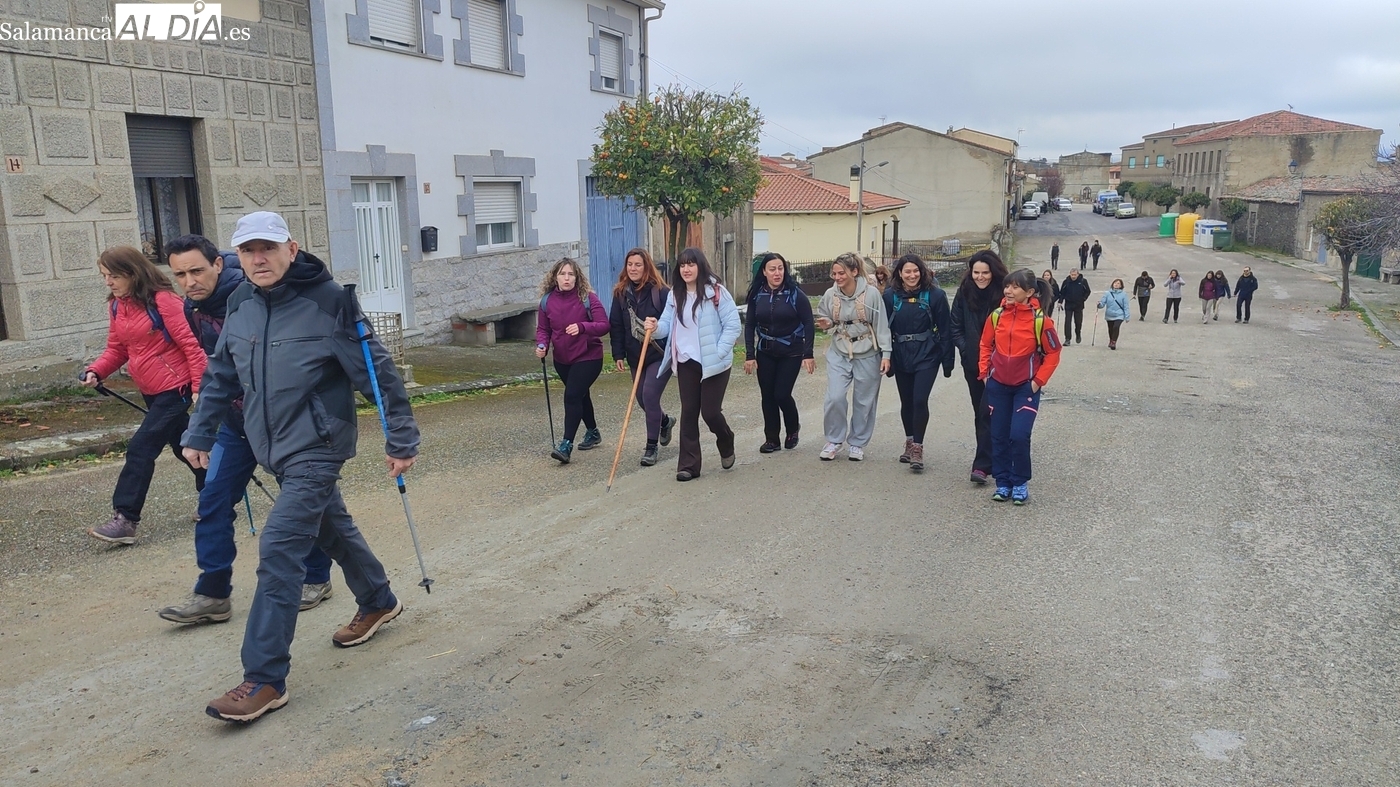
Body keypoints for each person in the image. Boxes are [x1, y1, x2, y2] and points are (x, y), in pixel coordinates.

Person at [182, 211, 419, 724]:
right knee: (332, 528)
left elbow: (378, 373)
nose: (258, 259)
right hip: (270, 445)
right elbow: (221, 373)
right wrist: (199, 431)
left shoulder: (330, 302)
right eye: (248, 251)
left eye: (268, 248)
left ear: (291, 248)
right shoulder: (241, 302)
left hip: (318, 445)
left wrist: (401, 437)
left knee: (279, 547)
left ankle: (264, 677)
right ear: (236, 257)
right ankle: (378, 599)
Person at [157, 235, 333, 625]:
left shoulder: (256, 296)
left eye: (196, 271)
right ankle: (213, 593)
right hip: (235, 426)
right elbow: (218, 372)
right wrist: (203, 427)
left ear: (218, 264)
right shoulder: (193, 307)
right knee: (212, 502)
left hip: (285, 424)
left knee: (303, 504)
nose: (189, 282)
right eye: (180, 275)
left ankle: (316, 577)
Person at [81, 246, 208, 545]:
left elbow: (193, 346)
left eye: (113, 276)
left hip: (176, 388)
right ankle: (216, 493)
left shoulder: (164, 301)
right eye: (104, 276)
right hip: (150, 389)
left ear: (132, 273)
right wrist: (96, 370)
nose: (108, 282)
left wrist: (198, 388)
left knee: (141, 448)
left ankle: (125, 519)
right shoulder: (118, 306)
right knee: (184, 446)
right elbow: (117, 349)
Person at [648, 247, 741, 482]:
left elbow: (732, 326)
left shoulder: (716, 292)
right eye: (682, 265)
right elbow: (666, 324)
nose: (686, 269)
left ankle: (726, 438)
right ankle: (688, 465)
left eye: (691, 264)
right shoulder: (675, 294)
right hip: (686, 360)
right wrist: (654, 328)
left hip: (715, 362)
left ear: (700, 266)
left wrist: (719, 352)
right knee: (689, 412)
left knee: (710, 412)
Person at [979, 269, 1062, 505]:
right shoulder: (996, 316)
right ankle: (1003, 483)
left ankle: (1020, 482)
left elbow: (1053, 352)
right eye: (1007, 286)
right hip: (998, 386)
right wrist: (985, 374)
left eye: (1015, 287)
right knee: (999, 436)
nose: (1008, 291)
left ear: (1030, 292)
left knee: (1019, 435)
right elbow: (985, 344)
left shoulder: (1041, 321)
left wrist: (1037, 382)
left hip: (1025, 388)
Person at [816, 252, 891, 461]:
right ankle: (834, 440)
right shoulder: (830, 294)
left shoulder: (871, 295)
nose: (837, 277)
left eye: (841, 273)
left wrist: (886, 354)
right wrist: (827, 323)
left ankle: (857, 442)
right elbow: (825, 316)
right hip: (839, 350)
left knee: (864, 401)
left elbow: (882, 325)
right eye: (834, 273)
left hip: (867, 352)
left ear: (854, 272)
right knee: (835, 397)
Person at [883, 254, 953, 472]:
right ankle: (909, 440)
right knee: (907, 401)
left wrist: (947, 361)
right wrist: (886, 357)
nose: (912, 275)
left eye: (916, 271)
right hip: (901, 354)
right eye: (907, 271)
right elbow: (882, 330)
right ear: (900, 273)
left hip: (927, 355)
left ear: (922, 272)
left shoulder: (936, 295)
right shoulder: (889, 296)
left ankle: (918, 448)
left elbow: (945, 329)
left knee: (920, 400)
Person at [536, 258, 609, 464]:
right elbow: (543, 329)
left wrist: (582, 327)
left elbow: (604, 325)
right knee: (580, 395)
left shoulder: (587, 298)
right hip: (562, 359)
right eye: (562, 274)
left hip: (589, 356)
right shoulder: (547, 301)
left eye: (571, 274)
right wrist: (542, 345)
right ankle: (593, 432)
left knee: (572, 396)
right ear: (555, 277)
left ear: (577, 277)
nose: (566, 278)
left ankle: (566, 445)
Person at [608, 247, 675, 467]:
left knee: (650, 395)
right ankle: (664, 421)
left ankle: (651, 447)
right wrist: (618, 354)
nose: (633, 268)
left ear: (646, 267)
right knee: (641, 400)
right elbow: (616, 326)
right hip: (635, 356)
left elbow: (672, 322)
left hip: (659, 354)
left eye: (638, 264)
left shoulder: (661, 292)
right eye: (630, 264)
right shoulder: (620, 293)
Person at [743, 252, 815, 453]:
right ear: (764, 272)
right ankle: (772, 439)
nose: (777, 273)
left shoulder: (795, 294)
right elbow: (750, 325)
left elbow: (808, 323)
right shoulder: (757, 295)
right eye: (773, 269)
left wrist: (808, 353)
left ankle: (792, 429)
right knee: (767, 397)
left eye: (781, 268)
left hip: (791, 352)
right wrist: (749, 355)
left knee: (781, 394)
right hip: (765, 352)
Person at [951, 250, 1008, 485]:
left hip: (1001, 366)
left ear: (994, 272)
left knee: (990, 412)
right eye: (976, 272)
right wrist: (967, 351)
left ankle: (982, 465)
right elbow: (955, 325)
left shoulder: (1005, 293)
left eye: (985, 272)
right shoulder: (964, 291)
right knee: (980, 413)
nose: (980, 277)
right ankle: (990, 459)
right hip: (973, 365)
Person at [1059, 268, 1091, 345]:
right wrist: (1060, 302)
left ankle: (1078, 333)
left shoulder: (1083, 281)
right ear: (1070, 274)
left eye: (1075, 275)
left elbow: (1088, 291)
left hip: (1079, 305)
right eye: (1072, 275)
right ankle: (1067, 339)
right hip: (1068, 304)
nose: (1073, 276)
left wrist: (1083, 299)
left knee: (1078, 322)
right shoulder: (1066, 282)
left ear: (1078, 274)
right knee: (1067, 322)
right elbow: (1062, 293)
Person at [1097, 279, 1131, 350]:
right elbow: (1103, 303)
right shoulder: (1107, 293)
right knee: (1111, 329)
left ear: (1121, 286)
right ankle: (1111, 340)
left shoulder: (1123, 294)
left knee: (1116, 327)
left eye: (1118, 283)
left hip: (1119, 315)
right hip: (1109, 314)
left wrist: (1127, 316)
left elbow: (1126, 306)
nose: (1116, 284)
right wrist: (1099, 305)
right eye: (1115, 283)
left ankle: (1113, 342)